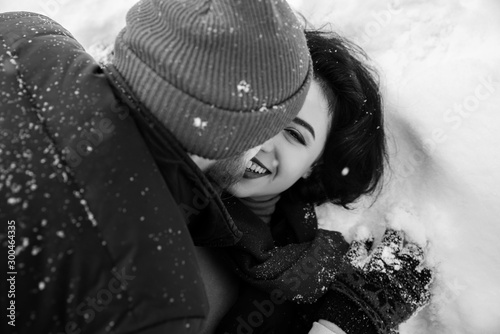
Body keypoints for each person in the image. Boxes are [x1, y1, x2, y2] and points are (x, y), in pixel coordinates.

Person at [0, 0, 313, 333]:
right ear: (231, 132)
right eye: (270, 130)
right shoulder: (156, 302)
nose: (265, 148)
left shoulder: (24, 33)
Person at [211, 30, 433, 334]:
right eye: (260, 111)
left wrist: (348, 315)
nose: (263, 141)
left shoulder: (307, 264)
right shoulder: (163, 193)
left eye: (293, 134)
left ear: (313, 166)